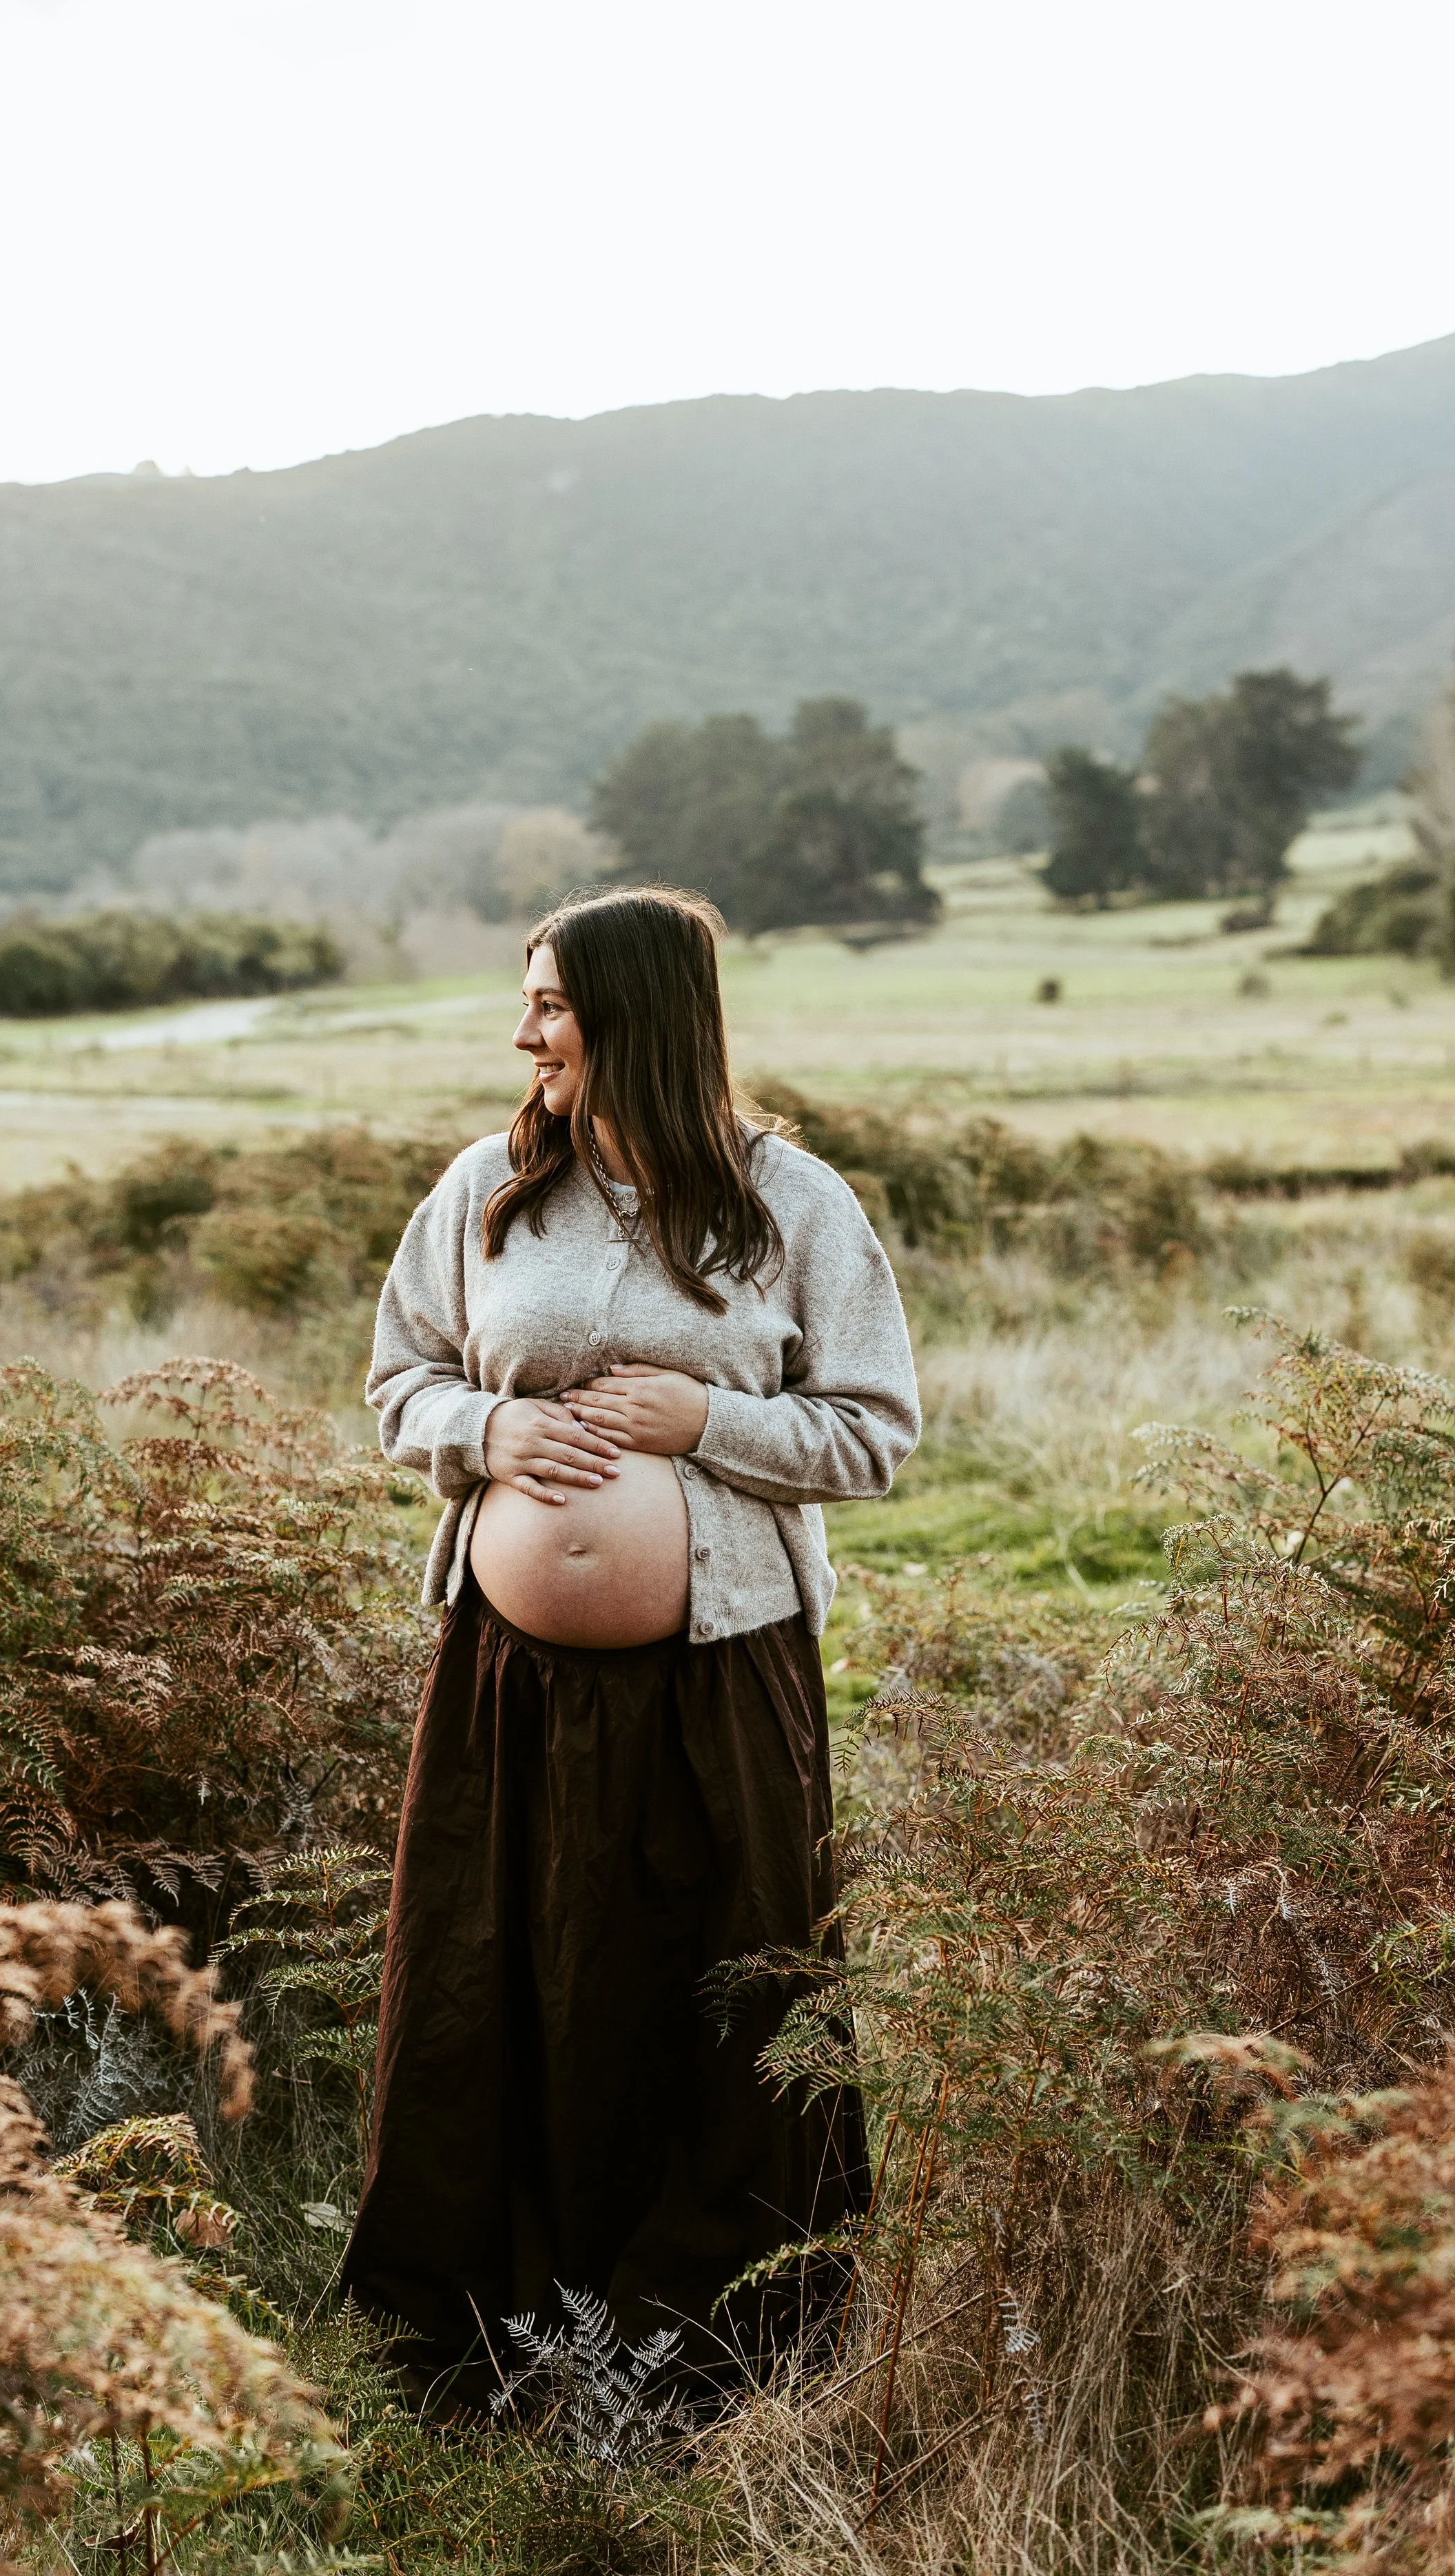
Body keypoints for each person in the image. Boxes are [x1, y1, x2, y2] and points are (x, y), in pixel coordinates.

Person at [340, 885, 919, 2391]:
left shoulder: (792, 1205)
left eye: (548, 1001)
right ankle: (495, 2310)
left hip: (719, 1671)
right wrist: (490, 1425)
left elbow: (873, 1434)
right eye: (525, 998)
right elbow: (398, 1379)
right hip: (507, 1678)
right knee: (501, 1968)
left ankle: (719, 2326)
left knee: (720, 1973)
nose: (520, 1027)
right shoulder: (484, 1187)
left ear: (639, 1018)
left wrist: (704, 1419)